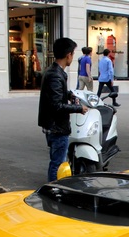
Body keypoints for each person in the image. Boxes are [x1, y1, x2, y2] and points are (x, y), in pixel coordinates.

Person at [38, 37, 89, 182]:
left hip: (53, 125)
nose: (72, 57)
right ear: (69, 55)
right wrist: (79, 108)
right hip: (57, 127)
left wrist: (70, 95)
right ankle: (54, 190)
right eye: (73, 53)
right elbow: (56, 106)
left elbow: (57, 93)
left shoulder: (54, 71)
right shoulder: (55, 74)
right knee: (58, 164)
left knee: (57, 161)